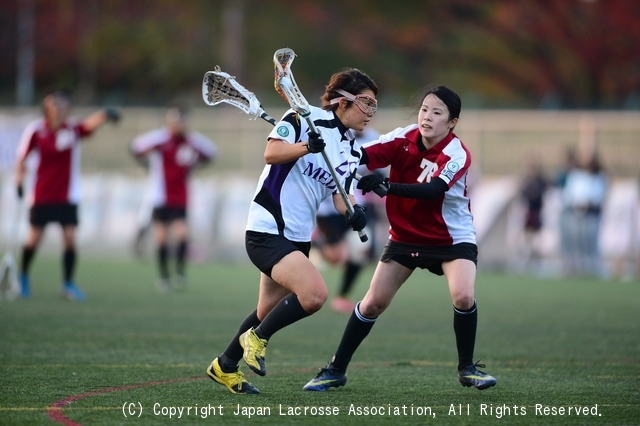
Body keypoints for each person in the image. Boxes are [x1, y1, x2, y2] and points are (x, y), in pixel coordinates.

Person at [303, 85, 497, 392]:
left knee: (463, 296)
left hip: (452, 239)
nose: (427, 117)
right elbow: (361, 154)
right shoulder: (403, 138)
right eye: (424, 109)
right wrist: (323, 145)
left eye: (437, 113)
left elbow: (434, 190)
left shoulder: (456, 154)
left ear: (452, 123)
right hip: (405, 237)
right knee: (371, 304)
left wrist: (387, 186)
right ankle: (335, 369)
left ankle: (468, 368)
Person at [205, 68, 378, 394]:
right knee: (314, 296)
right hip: (268, 228)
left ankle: (225, 366)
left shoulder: (351, 149)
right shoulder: (303, 117)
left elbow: (340, 193)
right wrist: (305, 147)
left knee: (265, 311)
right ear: (343, 102)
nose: (371, 112)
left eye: (374, 105)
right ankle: (256, 339)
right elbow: (271, 153)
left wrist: (354, 212)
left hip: (298, 237)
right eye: (366, 103)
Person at [15, 88, 120, 300]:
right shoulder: (36, 130)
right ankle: (23, 276)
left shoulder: (72, 129)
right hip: (41, 194)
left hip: (68, 195)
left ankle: (68, 284)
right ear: (46, 106)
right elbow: (22, 159)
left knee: (70, 238)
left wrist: (106, 115)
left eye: (62, 104)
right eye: (54, 103)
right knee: (34, 238)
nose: (58, 108)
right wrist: (19, 181)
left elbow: (88, 124)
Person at [131, 106, 217, 292]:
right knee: (161, 240)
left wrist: (196, 165)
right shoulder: (160, 139)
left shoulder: (192, 141)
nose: (177, 125)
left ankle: (179, 274)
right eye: (174, 121)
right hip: (159, 197)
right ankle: (163, 278)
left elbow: (211, 152)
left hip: (180, 197)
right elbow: (136, 147)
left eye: (181, 121)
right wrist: (146, 164)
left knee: (181, 236)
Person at [561, 150, 607, 277]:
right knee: (577, 241)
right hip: (577, 213)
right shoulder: (577, 177)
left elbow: (599, 196)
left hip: (591, 214)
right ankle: (576, 267)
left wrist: (589, 204)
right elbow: (570, 195)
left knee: (591, 242)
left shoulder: (599, 177)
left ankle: (592, 268)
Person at [517, 158, 549, 273]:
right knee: (527, 238)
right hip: (528, 212)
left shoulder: (541, 181)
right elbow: (522, 194)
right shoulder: (526, 180)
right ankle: (526, 261)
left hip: (537, 212)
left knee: (537, 239)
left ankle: (537, 262)